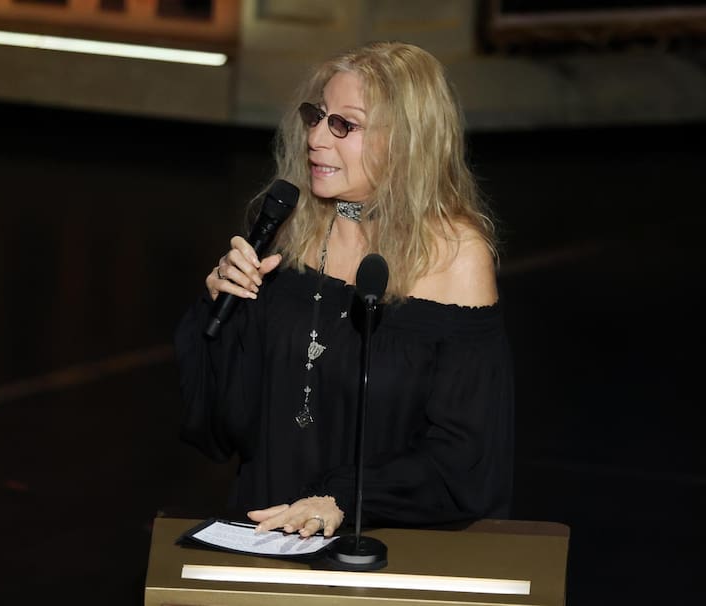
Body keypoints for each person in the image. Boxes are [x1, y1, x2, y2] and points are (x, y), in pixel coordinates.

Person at [174, 41, 513, 539]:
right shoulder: (287, 230)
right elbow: (227, 423)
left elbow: (465, 454)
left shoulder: (457, 255)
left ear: (407, 141)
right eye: (316, 116)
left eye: (344, 125)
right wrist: (222, 309)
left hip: (380, 537)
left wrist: (343, 498)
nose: (315, 137)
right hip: (269, 528)